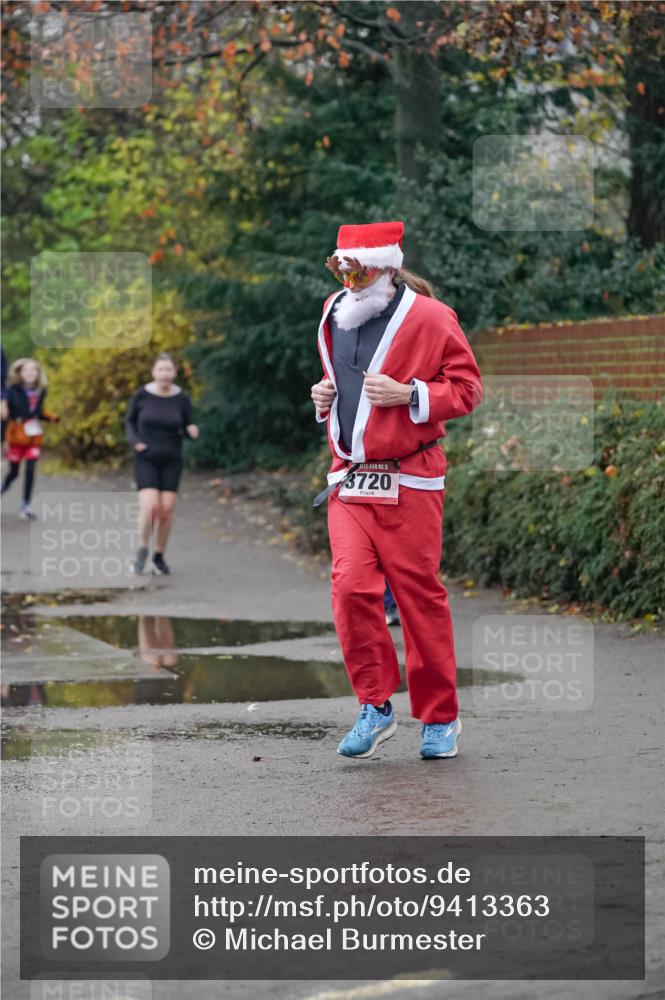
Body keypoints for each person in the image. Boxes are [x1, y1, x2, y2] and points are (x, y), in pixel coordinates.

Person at [311, 220, 483, 761]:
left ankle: (440, 719)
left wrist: (411, 394)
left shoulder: (432, 317)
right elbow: (343, 386)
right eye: (340, 267)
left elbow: (468, 388)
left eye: (356, 269)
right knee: (350, 587)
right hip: (351, 477)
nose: (348, 279)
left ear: (385, 266)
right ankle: (375, 704)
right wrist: (323, 397)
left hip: (411, 477)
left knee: (416, 598)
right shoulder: (332, 312)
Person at [124, 352, 198, 575]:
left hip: (171, 458)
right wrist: (135, 441)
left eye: (169, 370)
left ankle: (158, 555)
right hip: (146, 457)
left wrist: (191, 431)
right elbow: (129, 421)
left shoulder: (181, 398)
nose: (165, 374)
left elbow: (186, 425)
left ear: (174, 373)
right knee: (151, 507)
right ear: (153, 372)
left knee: (166, 509)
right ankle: (142, 548)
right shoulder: (142, 395)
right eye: (161, 370)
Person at [1, 358, 59, 519]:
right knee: (13, 472)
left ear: (38, 373)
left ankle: (26, 505)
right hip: (16, 437)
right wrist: (4, 439)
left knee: (30, 470)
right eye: (26, 370)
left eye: (33, 370)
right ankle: (3, 487)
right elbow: (6, 417)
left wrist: (52, 418)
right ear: (19, 372)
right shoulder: (11, 391)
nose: (30, 373)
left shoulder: (41, 391)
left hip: (34, 438)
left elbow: (38, 412)